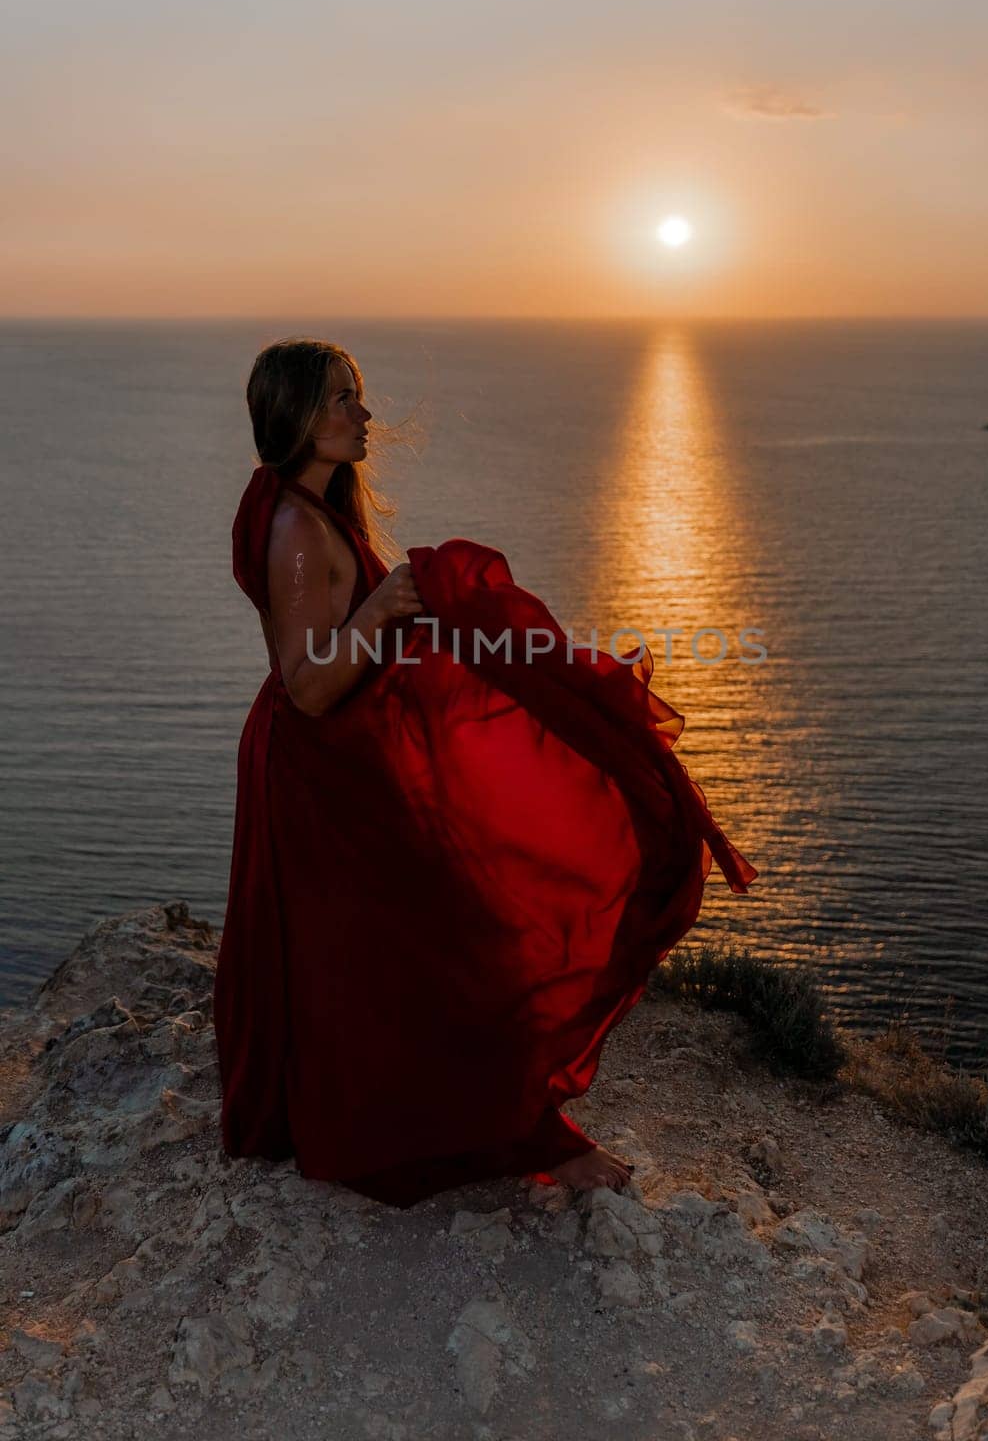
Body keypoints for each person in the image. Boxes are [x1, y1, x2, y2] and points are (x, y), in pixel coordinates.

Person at [214, 337, 758, 1209]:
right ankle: (511, 1131)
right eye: (344, 401)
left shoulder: (312, 512)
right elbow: (309, 685)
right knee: (429, 941)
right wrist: (390, 603)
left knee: (384, 950)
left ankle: (487, 1118)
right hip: (318, 775)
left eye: (360, 395)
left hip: (337, 767)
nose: (365, 414)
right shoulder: (296, 530)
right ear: (298, 417)